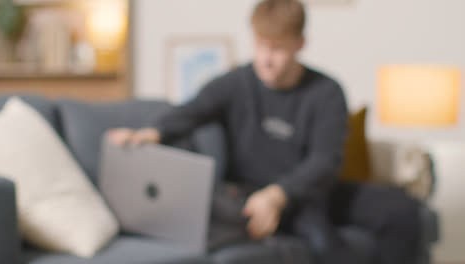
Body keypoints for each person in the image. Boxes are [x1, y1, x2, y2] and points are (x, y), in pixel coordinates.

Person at [108, 0, 420, 263]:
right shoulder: (236, 83)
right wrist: (151, 133)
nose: (266, 59)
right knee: (320, 240)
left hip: (306, 191)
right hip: (249, 193)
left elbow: (325, 162)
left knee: (401, 209)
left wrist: (278, 195)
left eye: (278, 48)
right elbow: (191, 111)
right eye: (260, 45)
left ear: (300, 44)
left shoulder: (327, 92)